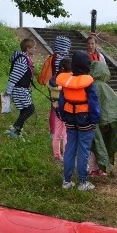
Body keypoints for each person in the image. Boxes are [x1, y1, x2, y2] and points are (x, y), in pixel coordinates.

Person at [51, 50, 101, 191]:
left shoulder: (66, 81)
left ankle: (66, 181)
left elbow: (62, 101)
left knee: (70, 148)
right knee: (83, 150)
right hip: (85, 120)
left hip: (70, 119)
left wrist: (63, 115)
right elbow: (94, 104)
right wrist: (95, 120)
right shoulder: (88, 83)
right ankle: (82, 182)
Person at [88, 60, 117, 177]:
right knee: (101, 144)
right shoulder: (104, 87)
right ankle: (98, 168)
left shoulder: (92, 86)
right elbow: (113, 107)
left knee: (96, 145)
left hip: (94, 121)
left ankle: (95, 168)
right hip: (103, 122)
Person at [4, 37, 37, 139]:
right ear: (28, 48)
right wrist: (8, 91)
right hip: (19, 89)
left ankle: (17, 130)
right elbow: (14, 76)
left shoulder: (25, 58)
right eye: (34, 48)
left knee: (25, 110)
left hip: (23, 89)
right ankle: (15, 128)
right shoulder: (22, 60)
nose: (35, 50)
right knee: (29, 109)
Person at [47, 35, 71, 163]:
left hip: (55, 106)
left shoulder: (55, 77)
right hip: (65, 108)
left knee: (57, 133)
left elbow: (50, 83)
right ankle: (66, 154)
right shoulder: (68, 79)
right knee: (65, 133)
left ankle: (56, 155)